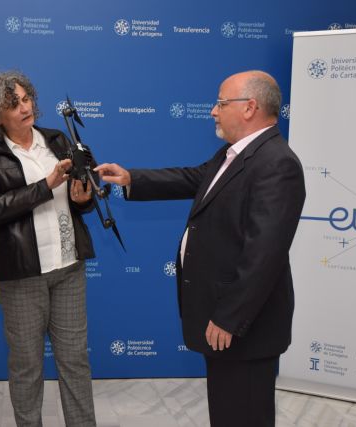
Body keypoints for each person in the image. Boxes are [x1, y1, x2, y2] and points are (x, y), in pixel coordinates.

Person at [95, 70, 306, 427]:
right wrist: (132, 178)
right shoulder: (234, 154)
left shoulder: (277, 164)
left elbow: (263, 255)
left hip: (244, 326)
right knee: (227, 411)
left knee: (246, 414)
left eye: (222, 103)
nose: (213, 110)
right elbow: (193, 178)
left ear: (250, 107)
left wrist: (229, 317)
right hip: (224, 316)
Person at [0, 71, 97, 427]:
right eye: (13, 104)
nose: (25, 108)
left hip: (68, 268)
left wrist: (83, 198)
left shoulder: (58, 140)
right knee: (27, 365)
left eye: (26, 99)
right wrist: (46, 184)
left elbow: (83, 199)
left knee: (75, 359)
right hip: (21, 276)